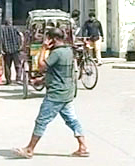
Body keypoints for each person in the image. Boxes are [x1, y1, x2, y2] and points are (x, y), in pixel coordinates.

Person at [16, 27, 89, 158]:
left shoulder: (57, 53)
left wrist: (43, 48)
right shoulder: (68, 51)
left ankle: (30, 149)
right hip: (67, 92)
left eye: (47, 38)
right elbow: (59, 72)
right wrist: (43, 80)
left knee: (41, 120)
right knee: (71, 120)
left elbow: (41, 65)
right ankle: (83, 146)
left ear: (53, 39)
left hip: (56, 94)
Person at [0, 19, 24, 85]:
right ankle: (18, 79)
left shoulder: (2, 30)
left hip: (6, 50)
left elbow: (0, 39)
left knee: (7, 66)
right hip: (16, 49)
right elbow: (21, 36)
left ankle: (8, 80)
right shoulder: (15, 28)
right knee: (18, 65)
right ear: (11, 23)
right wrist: (21, 45)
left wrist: (1, 49)